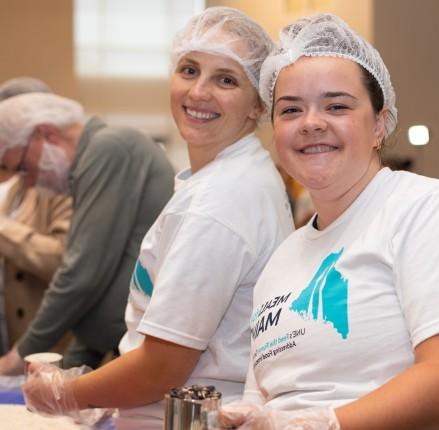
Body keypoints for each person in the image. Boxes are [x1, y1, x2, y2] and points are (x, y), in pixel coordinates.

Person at [215, 13, 439, 430]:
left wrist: (322, 424)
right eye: (290, 110)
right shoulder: (282, 258)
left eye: (336, 105)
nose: (311, 123)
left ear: (379, 123)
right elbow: (265, 394)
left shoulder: (430, 211)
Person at [22, 7, 294, 429]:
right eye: (189, 70)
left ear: (258, 104)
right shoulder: (229, 178)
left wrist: (64, 394)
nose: (199, 92)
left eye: (226, 79)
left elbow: (163, 367)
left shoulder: (220, 201)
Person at [0, 89, 174, 375]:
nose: (28, 183)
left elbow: (81, 273)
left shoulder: (107, 148)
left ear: (45, 134)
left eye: (22, 168)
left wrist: (21, 354)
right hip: (118, 347)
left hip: (138, 350)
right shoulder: (96, 156)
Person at [0, 77, 73, 354]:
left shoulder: (63, 185)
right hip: (14, 345)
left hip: (52, 352)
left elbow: (63, 261)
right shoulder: (16, 186)